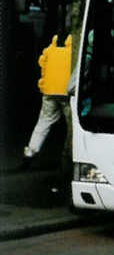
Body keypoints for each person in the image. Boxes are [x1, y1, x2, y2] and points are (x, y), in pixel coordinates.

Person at [22, 34, 74, 169]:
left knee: (43, 123)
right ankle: (72, 157)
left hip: (49, 92)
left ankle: (30, 152)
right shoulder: (74, 53)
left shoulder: (49, 50)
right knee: (73, 126)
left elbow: (42, 66)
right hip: (66, 94)